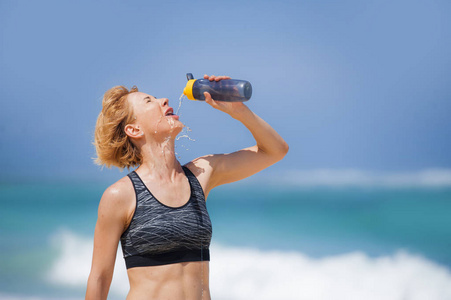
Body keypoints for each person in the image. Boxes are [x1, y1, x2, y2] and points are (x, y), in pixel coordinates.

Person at [85, 74, 289, 300]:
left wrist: (239, 112)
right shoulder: (121, 195)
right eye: (149, 101)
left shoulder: (201, 174)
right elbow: (100, 278)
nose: (163, 100)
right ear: (134, 130)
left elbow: (275, 150)